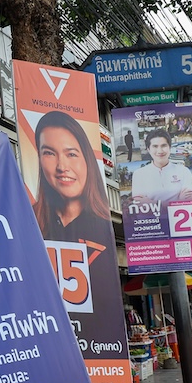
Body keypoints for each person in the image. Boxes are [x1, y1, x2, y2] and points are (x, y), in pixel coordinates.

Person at [32, 111, 118, 321]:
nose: (62, 167)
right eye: (49, 153)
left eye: (71, 154)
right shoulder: (28, 223)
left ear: (87, 159)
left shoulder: (103, 228)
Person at [130, 129, 192, 204]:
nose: (160, 151)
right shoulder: (139, 174)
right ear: (148, 149)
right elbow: (139, 204)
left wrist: (152, 203)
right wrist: (176, 203)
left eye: (163, 146)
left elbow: (188, 202)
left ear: (169, 147)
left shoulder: (184, 171)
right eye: (155, 146)